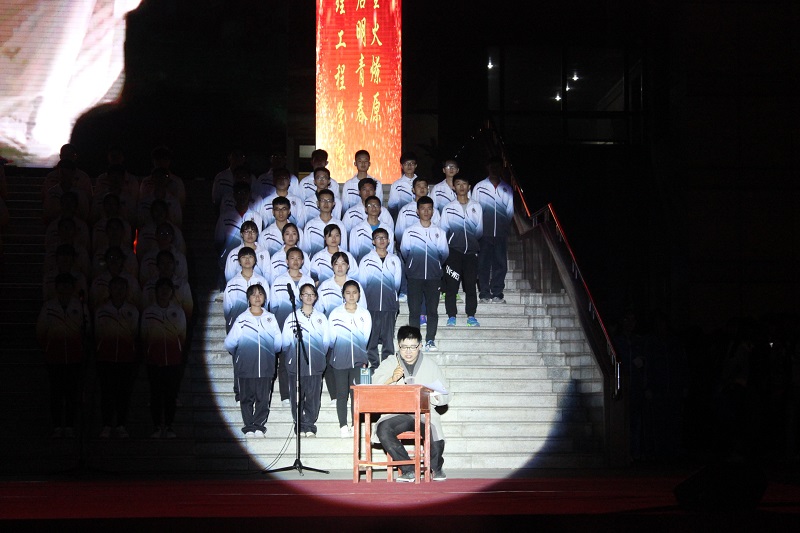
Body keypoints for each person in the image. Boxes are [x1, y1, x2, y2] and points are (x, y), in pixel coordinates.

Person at [372, 325, 451, 482]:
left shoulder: (430, 365)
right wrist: (391, 379)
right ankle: (408, 469)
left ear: (420, 346)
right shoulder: (389, 363)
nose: (408, 352)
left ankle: (436, 467)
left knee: (434, 430)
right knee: (383, 429)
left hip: (423, 413)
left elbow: (445, 394)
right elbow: (374, 388)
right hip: (396, 413)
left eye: (413, 347)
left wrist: (433, 394)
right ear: (398, 345)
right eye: (404, 347)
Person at [224, 283, 282, 438]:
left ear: (265, 297)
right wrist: (243, 354)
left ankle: (258, 426)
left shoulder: (270, 318)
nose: (257, 297)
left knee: (263, 399)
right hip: (246, 367)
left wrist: (268, 353)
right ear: (248, 298)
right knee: (246, 398)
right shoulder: (242, 319)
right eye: (253, 294)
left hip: (265, 367)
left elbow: (278, 343)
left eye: (260, 294)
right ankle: (248, 426)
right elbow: (229, 343)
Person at [36, 273, 90, 438]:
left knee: (72, 393)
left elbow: (86, 329)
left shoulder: (80, 306)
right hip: (54, 357)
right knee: (56, 393)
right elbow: (41, 331)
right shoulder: (49, 307)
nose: (65, 288)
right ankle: (57, 425)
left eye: (68, 285)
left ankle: (70, 425)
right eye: (62, 285)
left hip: (74, 356)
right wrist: (49, 347)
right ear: (56, 287)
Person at [281, 283, 331, 437]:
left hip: (315, 365)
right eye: (305, 294)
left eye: (312, 294)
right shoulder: (292, 317)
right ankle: (299, 424)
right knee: (296, 396)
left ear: (315, 297)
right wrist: (293, 357)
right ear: (300, 296)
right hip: (296, 365)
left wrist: (317, 356)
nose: (309, 297)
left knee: (313, 397)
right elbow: (285, 343)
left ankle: (309, 425)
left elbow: (326, 342)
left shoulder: (321, 318)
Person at [400, 196, 449, 351]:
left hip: (434, 277)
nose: (426, 212)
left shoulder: (439, 232)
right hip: (414, 277)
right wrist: (414, 265)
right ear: (417, 211)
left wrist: (434, 265)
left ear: (433, 211)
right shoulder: (409, 231)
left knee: (432, 310)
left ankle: (430, 340)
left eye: (429, 209)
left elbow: (444, 254)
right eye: (423, 208)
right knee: (414, 311)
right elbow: (405, 252)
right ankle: (416, 341)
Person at [93, 276, 139, 439]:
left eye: (121, 288)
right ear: (109, 290)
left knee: (123, 393)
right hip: (106, 358)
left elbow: (135, 333)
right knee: (107, 393)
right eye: (115, 288)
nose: (118, 291)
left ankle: (121, 425)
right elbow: (97, 333)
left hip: (126, 359)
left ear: (126, 291)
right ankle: (106, 425)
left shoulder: (132, 311)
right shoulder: (101, 311)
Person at [141, 278, 187, 439]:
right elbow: (144, 335)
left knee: (170, 395)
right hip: (154, 360)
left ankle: (168, 426)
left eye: (167, 289)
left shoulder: (178, 311)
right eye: (161, 289)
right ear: (156, 292)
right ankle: (156, 426)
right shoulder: (148, 312)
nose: (164, 292)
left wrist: (176, 352)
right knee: (155, 394)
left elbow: (182, 335)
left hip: (173, 361)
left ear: (172, 292)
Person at [269, 247, 315, 407]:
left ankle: (303, 393)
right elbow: (273, 307)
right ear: (286, 261)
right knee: (284, 361)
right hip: (284, 327)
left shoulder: (308, 281)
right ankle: (285, 395)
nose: (295, 261)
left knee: (303, 360)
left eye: (298, 258)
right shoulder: (278, 281)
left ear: (302, 261)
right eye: (292, 258)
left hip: (305, 328)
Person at [328, 280, 372, 438]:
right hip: (340, 360)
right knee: (341, 394)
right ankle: (343, 426)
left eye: (354, 292)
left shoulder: (365, 314)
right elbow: (331, 338)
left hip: (359, 360)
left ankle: (355, 425)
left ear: (359, 295)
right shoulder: (335, 314)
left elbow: (365, 337)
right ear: (343, 295)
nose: (351, 296)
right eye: (348, 293)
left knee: (356, 394)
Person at [439, 175, 483, 327]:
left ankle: (471, 316)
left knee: (470, 286)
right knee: (451, 287)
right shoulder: (448, 208)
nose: (461, 187)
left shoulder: (476, 206)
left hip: (471, 253)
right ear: (454, 187)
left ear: (469, 187)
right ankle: (451, 316)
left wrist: (471, 243)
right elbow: (443, 231)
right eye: (458, 184)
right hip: (453, 253)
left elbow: (479, 231)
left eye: (464, 184)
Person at [359, 227, 403, 367]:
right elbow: (362, 284)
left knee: (388, 340)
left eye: (384, 237)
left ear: (389, 240)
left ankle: (387, 367)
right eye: (378, 237)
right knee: (371, 339)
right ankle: (374, 365)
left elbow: (397, 284)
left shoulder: (394, 260)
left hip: (389, 306)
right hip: (371, 306)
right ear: (373, 241)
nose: (382, 240)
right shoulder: (366, 260)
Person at [473, 156, 514, 304]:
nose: (494, 169)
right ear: (488, 168)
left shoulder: (507, 188)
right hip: (484, 233)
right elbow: (474, 209)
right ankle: (484, 293)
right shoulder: (479, 187)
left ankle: (497, 293)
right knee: (483, 263)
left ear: (500, 169)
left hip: (501, 234)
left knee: (500, 264)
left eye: (497, 167)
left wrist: (504, 227)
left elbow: (509, 211)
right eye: (492, 167)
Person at [223, 246, 270, 333]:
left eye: (250, 257)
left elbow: (266, 304)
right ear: (239, 261)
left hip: (257, 325)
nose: (247, 260)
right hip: (236, 325)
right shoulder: (232, 283)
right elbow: (227, 309)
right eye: (243, 257)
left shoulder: (262, 281)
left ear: (255, 260)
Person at [348, 194, 395, 264]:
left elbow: (390, 252)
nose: (373, 207)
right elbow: (354, 254)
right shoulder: (356, 230)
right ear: (366, 209)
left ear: (380, 209)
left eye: (376, 205)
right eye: (370, 205)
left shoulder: (388, 229)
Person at [302, 188, 347, 257]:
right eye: (323, 200)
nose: (326, 203)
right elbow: (305, 251)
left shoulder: (340, 225)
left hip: (336, 262)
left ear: (333, 204)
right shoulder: (310, 225)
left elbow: (344, 248)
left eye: (329, 201)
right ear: (318, 203)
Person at [387, 152, 418, 218]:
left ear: (416, 165)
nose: (409, 166)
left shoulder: (422, 183)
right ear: (401, 166)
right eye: (406, 163)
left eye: (412, 163)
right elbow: (392, 205)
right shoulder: (397, 185)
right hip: (403, 218)